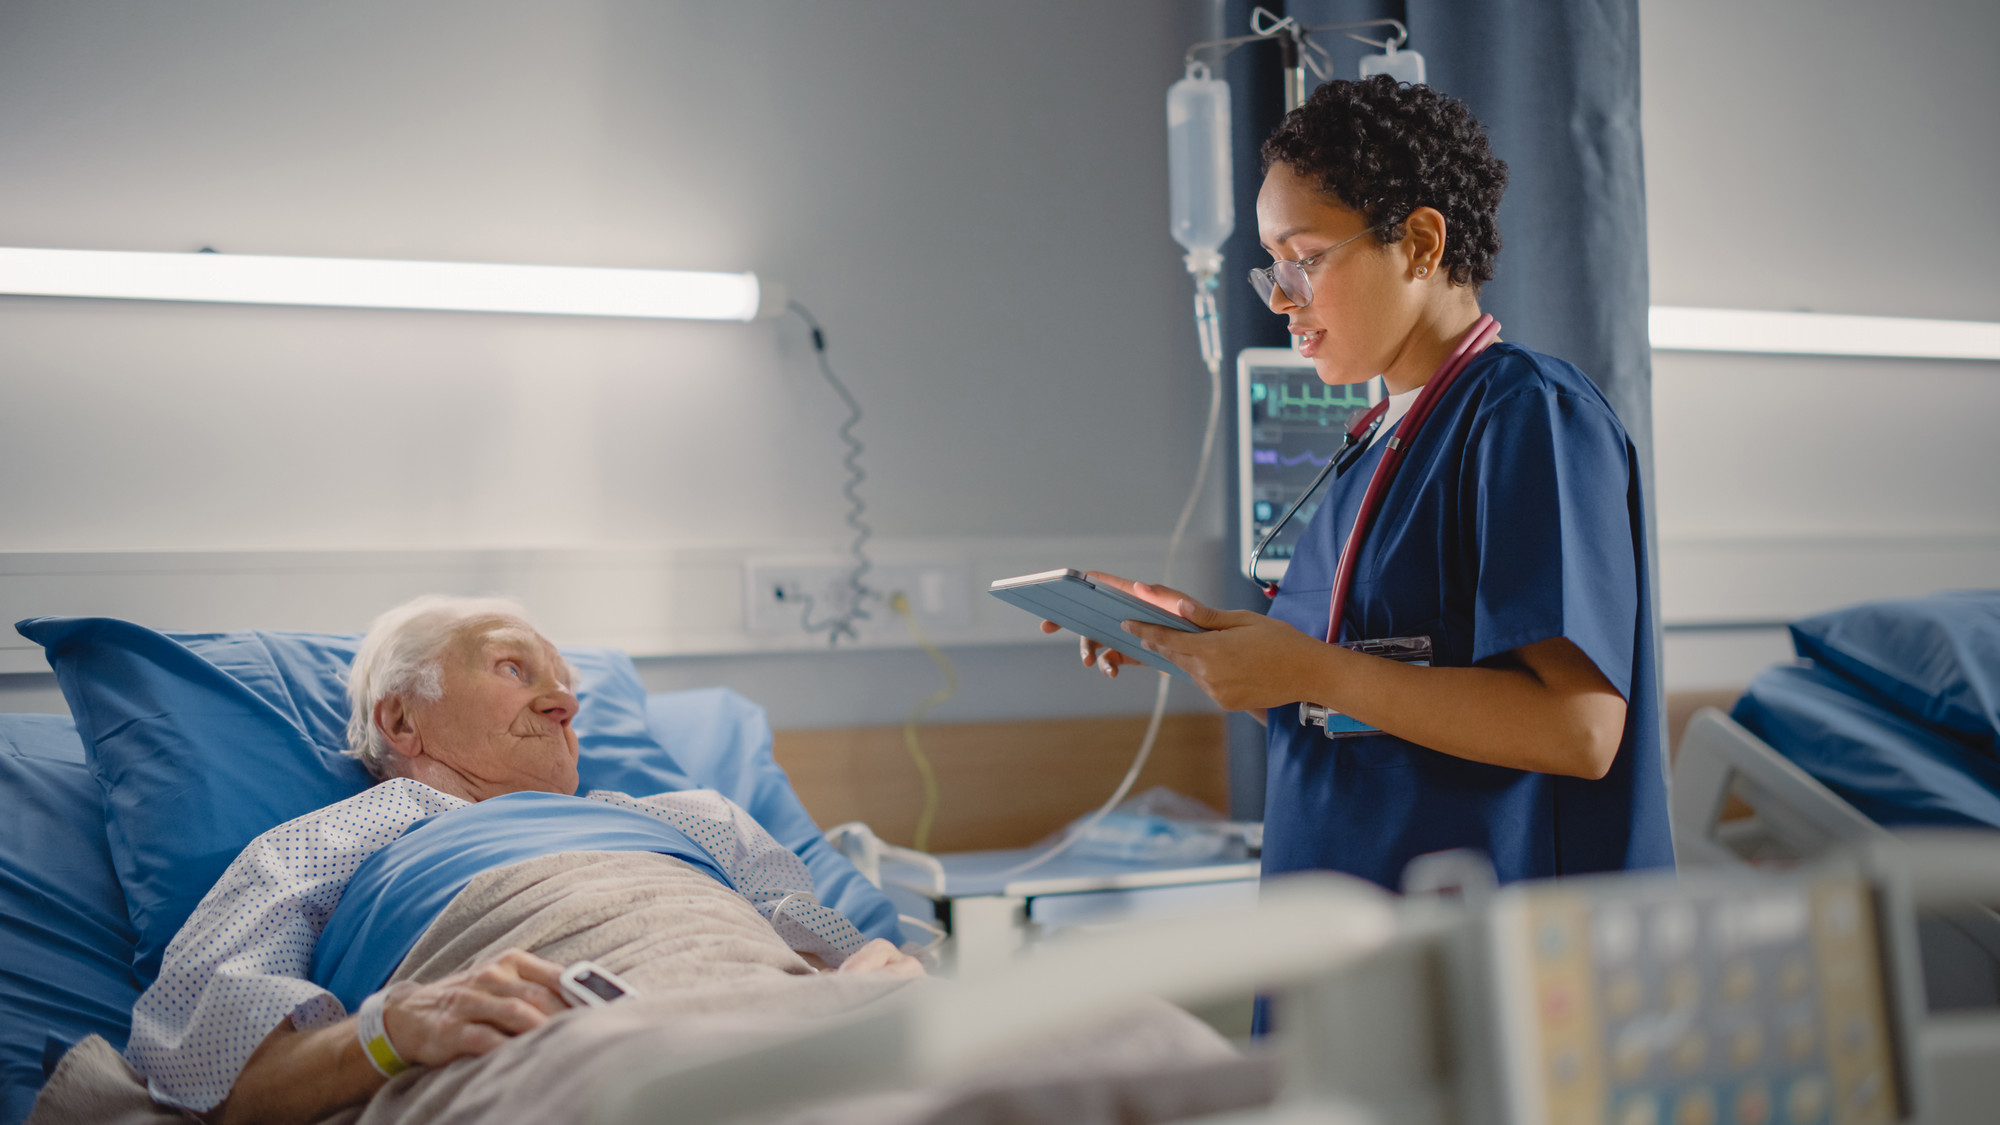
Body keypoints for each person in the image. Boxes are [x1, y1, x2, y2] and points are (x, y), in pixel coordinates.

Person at [1051, 78, 1671, 896]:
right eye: (1271, 268)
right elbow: (1356, 696)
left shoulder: (1528, 413)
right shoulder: (1376, 445)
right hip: (1343, 921)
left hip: (1487, 946)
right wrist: (1202, 645)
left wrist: (1313, 670)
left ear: (1418, 242)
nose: (1280, 299)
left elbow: (1580, 727)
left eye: (1303, 260)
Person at [124, 595, 922, 1125]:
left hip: (791, 1026)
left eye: (569, 686)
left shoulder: (694, 818)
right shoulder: (328, 840)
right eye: (515, 668)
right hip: (563, 1049)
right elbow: (210, 1074)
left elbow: (840, 949)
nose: (566, 702)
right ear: (401, 718)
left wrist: (883, 978)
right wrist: (394, 1029)